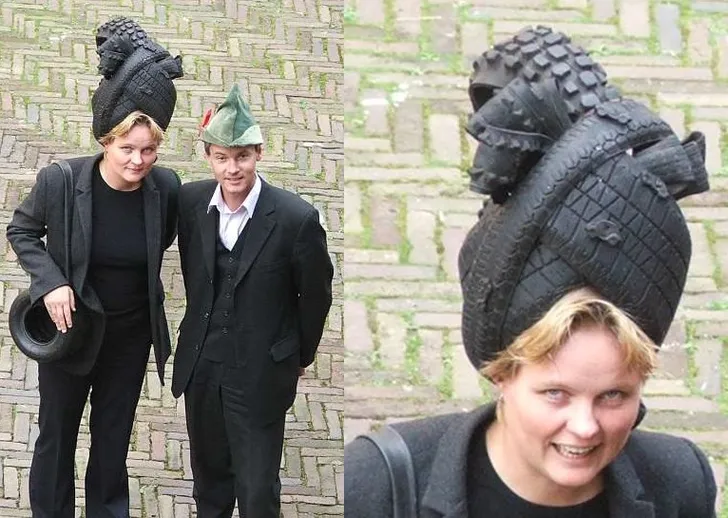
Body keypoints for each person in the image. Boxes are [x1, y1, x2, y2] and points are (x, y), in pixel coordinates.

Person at [344, 28, 717, 516]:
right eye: (556, 394)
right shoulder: (379, 483)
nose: (585, 427)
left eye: (614, 395)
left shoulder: (681, 480)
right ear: (501, 374)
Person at [6, 17, 183, 518]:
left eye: (148, 150)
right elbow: (21, 231)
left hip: (129, 338)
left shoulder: (166, 189)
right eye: (128, 149)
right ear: (106, 141)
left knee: (113, 441)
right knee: (56, 435)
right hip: (70, 332)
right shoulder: (61, 182)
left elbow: (164, 239)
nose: (138, 160)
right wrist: (51, 281)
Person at [171, 83, 334, 518]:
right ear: (208, 157)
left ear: (259, 152)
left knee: (258, 489)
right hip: (203, 365)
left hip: (260, 372)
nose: (232, 169)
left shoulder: (296, 219)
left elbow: (315, 295)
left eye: (241, 156)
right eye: (222, 158)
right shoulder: (190, 202)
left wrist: (298, 353)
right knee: (209, 484)